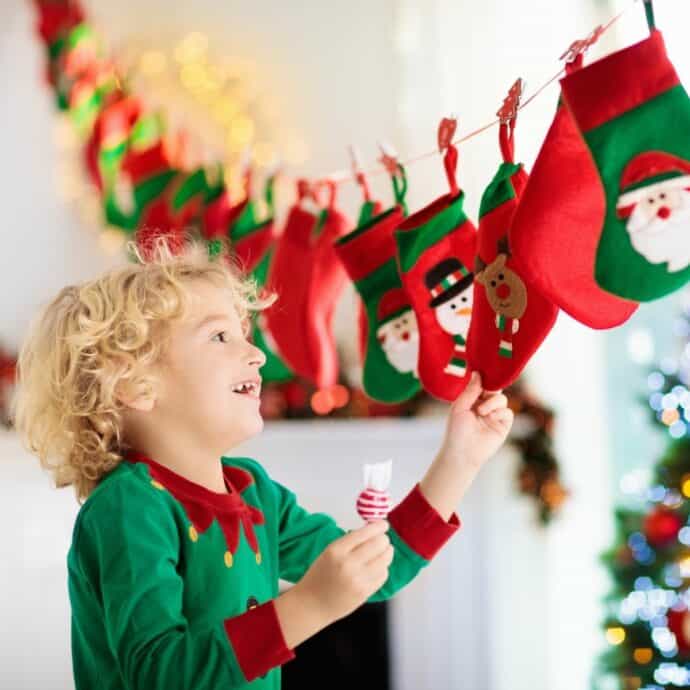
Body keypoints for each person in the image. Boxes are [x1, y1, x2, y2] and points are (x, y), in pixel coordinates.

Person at [12, 235, 513, 689]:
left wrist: (460, 459)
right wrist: (310, 604)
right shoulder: (129, 507)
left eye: (244, 334)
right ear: (136, 385)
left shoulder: (254, 492)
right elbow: (159, 677)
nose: (254, 354)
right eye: (219, 337)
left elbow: (376, 570)